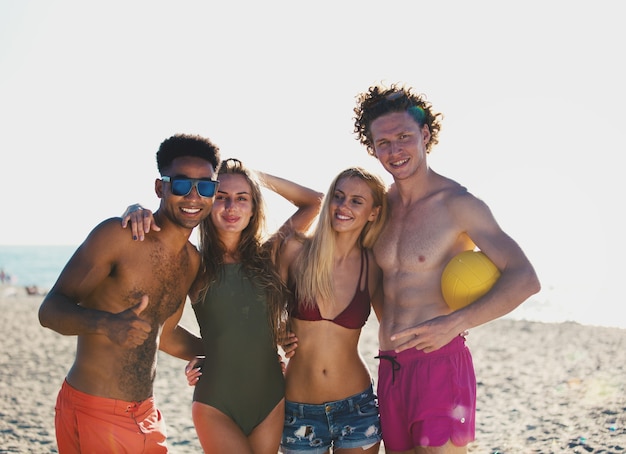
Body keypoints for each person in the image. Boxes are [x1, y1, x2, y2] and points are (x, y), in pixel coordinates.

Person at [353, 83, 541, 454]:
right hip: (390, 370)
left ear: (424, 135)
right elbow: (368, 282)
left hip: (440, 366)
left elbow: (524, 278)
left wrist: (456, 323)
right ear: (373, 148)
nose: (395, 150)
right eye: (384, 142)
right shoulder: (379, 209)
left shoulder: (458, 204)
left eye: (404, 136)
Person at [38, 133, 222, 453]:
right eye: (181, 184)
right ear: (160, 188)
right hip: (95, 410)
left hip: (147, 414)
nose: (193, 196)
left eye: (205, 186)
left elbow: (166, 336)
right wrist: (105, 324)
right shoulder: (119, 236)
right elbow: (50, 310)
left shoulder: (192, 261)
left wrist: (233, 356)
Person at [124, 158, 322, 454]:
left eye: (243, 198)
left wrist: (254, 176)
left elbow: (314, 202)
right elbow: (165, 335)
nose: (232, 207)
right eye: (221, 197)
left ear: (254, 207)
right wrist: (214, 352)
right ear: (207, 205)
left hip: (271, 400)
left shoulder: (271, 254)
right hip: (216, 403)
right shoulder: (193, 262)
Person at [278, 167, 388, 453]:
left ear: (373, 213)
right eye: (338, 196)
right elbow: (263, 308)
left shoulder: (373, 266)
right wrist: (251, 174)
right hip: (298, 410)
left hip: (356, 406)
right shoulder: (296, 251)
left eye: (356, 201)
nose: (343, 206)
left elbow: (393, 326)